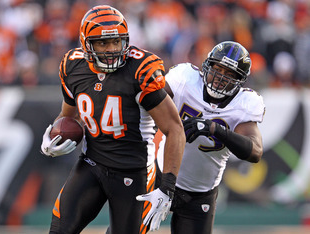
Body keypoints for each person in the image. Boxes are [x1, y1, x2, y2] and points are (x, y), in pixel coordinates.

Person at [40, 5, 185, 234]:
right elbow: (68, 116)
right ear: (86, 44)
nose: (111, 49)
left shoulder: (139, 71)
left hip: (134, 171)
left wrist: (167, 186)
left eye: (116, 42)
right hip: (92, 164)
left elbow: (174, 128)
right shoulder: (73, 66)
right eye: (102, 43)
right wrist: (52, 137)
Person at [156, 41, 265, 234]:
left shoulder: (244, 103)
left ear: (240, 80)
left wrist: (216, 129)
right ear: (207, 65)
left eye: (230, 74)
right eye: (218, 69)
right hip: (160, 177)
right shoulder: (185, 79)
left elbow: (255, 151)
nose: (221, 77)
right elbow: (149, 100)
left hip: (200, 193)